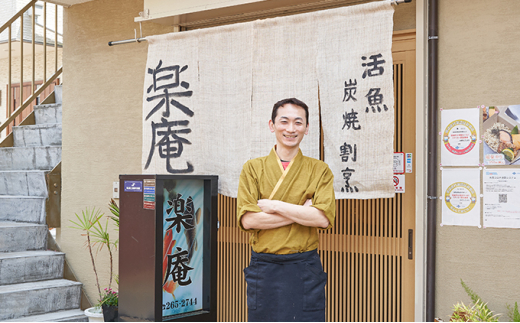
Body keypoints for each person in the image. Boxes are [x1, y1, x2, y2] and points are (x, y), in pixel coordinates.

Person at [237, 98, 336, 322]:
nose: (291, 129)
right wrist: (302, 212)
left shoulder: (319, 170)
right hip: (264, 266)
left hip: (304, 267)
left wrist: (274, 206)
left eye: (298, 123)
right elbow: (249, 221)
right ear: (272, 125)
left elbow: (322, 219)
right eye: (284, 121)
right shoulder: (252, 168)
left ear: (307, 128)